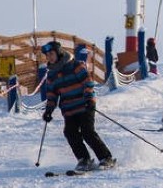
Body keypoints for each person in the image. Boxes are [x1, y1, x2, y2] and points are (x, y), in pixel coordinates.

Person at [42, 40, 115, 172]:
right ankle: (84, 159)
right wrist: (48, 110)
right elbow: (52, 94)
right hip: (69, 110)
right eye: (47, 55)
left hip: (84, 106)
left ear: (58, 53)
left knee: (87, 132)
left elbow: (87, 83)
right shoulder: (51, 74)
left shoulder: (75, 66)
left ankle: (106, 158)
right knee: (70, 132)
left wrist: (89, 99)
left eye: (51, 54)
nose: (49, 57)